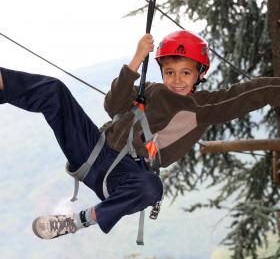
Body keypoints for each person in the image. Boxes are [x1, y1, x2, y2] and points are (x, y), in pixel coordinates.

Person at [0, 30, 280, 240]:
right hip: (93, 148)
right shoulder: (149, 90)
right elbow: (112, 106)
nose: (178, 79)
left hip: (125, 175)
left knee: (151, 188)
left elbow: (248, 94)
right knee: (54, 90)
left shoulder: (201, 108)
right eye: (170, 72)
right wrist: (136, 60)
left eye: (186, 72)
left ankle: (78, 221)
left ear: (200, 74)